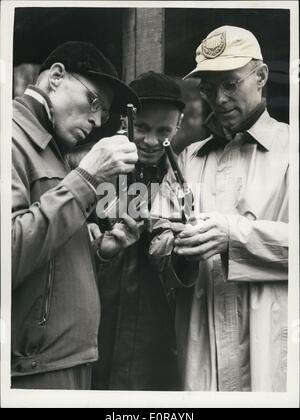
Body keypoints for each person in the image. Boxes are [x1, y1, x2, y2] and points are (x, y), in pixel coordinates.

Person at [150, 26, 288, 391]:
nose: (219, 98)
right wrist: (179, 249)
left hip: (273, 349)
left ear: (260, 77)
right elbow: (157, 241)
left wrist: (233, 235)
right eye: (209, 88)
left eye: (230, 84)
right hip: (202, 354)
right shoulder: (187, 160)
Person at [11, 41, 142, 389]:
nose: (98, 120)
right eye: (94, 101)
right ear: (56, 77)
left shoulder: (50, 147)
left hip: (65, 360)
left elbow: (49, 262)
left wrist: (100, 252)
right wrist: (86, 178)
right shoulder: (10, 136)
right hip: (35, 369)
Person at [91, 71, 185, 390]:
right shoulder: (97, 172)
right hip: (97, 335)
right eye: (142, 128)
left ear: (179, 126)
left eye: (164, 131)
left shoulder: (183, 179)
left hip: (156, 343)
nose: (150, 141)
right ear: (125, 122)